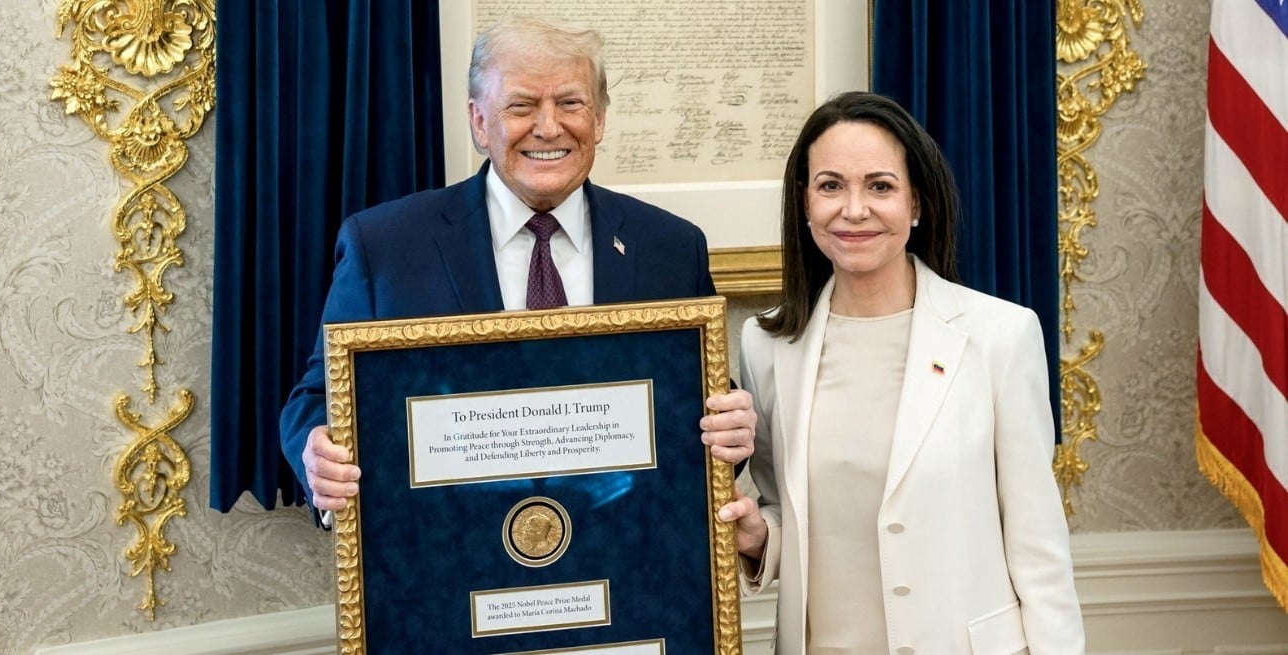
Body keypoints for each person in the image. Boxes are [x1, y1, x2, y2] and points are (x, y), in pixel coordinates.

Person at [279, 16, 756, 519]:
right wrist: (318, 455)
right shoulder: (386, 247)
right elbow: (317, 397)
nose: (549, 127)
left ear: (599, 119)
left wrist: (732, 427)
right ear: (480, 122)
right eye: (522, 106)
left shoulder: (671, 248)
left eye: (570, 103)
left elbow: (697, 401)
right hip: (449, 556)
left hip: (623, 553)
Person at [716, 92, 1084, 653]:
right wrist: (760, 537)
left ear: (916, 204)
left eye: (880, 186)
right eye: (831, 185)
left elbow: (1038, 544)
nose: (854, 209)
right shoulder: (766, 345)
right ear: (805, 202)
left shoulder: (999, 336)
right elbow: (791, 512)